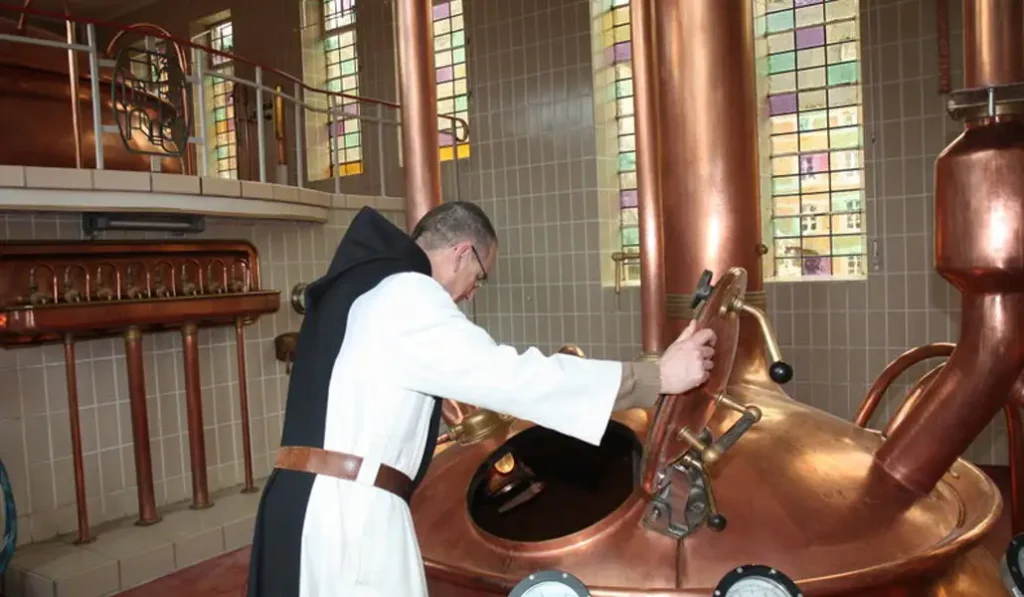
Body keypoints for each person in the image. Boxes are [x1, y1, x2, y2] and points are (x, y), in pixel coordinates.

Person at [245, 202, 716, 597]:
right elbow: (510, 376)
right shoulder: (407, 294)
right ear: (462, 252)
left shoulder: (365, 288)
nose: (471, 294)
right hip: (348, 520)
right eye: (480, 277)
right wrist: (654, 377)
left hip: (314, 504)